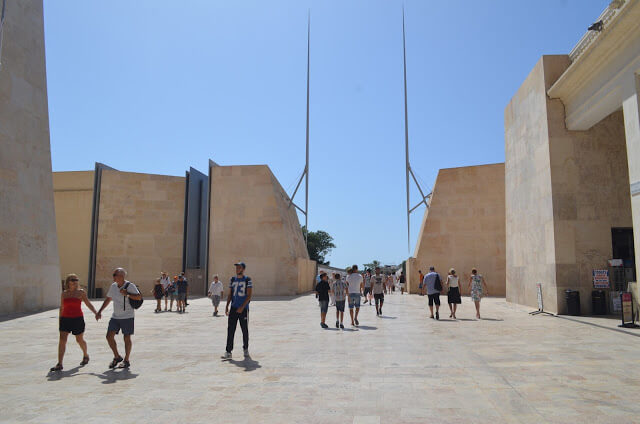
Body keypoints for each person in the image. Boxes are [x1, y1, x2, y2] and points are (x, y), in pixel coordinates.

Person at [50, 274, 99, 372]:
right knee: (62, 340)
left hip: (77, 319)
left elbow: (88, 303)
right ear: (68, 282)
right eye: (73, 280)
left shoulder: (81, 293)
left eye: (76, 280)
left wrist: (96, 313)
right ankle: (60, 363)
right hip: (65, 319)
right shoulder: (64, 294)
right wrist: (60, 320)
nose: (75, 281)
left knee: (79, 340)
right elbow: (62, 307)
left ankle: (85, 355)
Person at [96, 267, 142, 369]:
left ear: (121, 276)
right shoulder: (113, 286)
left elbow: (139, 297)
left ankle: (126, 360)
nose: (113, 276)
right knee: (109, 336)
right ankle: (117, 357)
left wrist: (127, 294)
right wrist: (99, 311)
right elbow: (108, 298)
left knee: (126, 338)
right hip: (115, 316)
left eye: (114, 274)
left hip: (127, 316)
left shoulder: (130, 286)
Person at [222, 261, 253, 359]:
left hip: (243, 309)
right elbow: (230, 294)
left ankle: (245, 349)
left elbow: (249, 296)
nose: (237, 269)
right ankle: (228, 351)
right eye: (236, 268)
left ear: (243, 269)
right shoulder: (232, 279)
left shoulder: (247, 279)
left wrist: (242, 307)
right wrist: (227, 306)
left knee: (244, 329)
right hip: (233, 308)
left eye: (239, 268)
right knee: (230, 329)